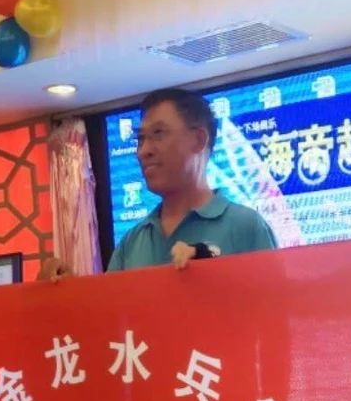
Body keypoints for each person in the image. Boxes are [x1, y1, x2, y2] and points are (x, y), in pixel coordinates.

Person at [40, 87, 277, 279]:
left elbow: (274, 312)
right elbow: (111, 316)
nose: (143, 151)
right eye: (140, 139)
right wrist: (68, 291)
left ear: (198, 140)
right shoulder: (133, 241)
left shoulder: (247, 227)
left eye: (158, 134)